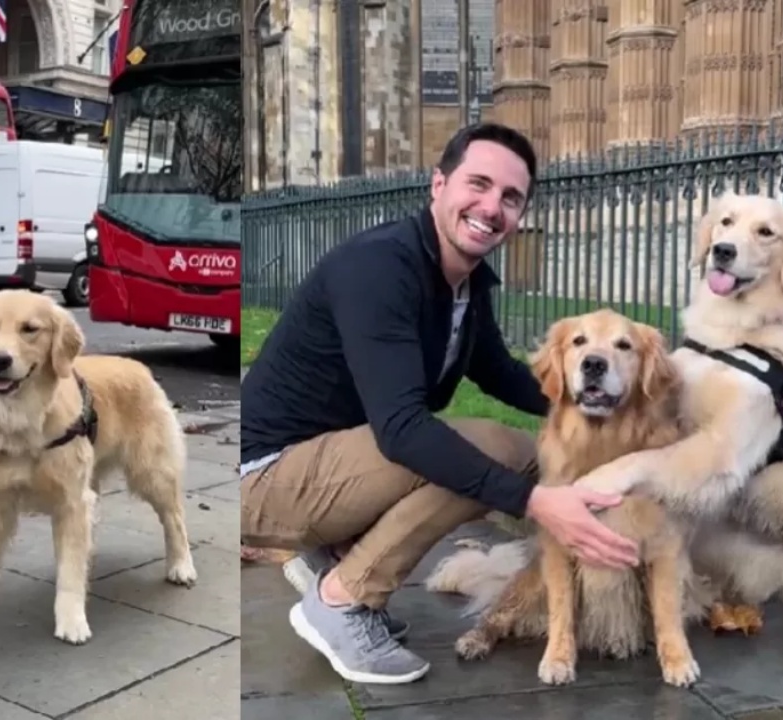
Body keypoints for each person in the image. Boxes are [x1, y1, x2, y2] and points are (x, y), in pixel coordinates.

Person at [239, 123, 641, 684]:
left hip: (325, 466)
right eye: (478, 184)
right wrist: (537, 501)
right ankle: (341, 597)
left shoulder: (466, 282)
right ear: (438, 185)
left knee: (523, 456)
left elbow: (499, 372)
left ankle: (330, 559)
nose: (491, 207)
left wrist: (604, 401)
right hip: (262, 479)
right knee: (491, 451)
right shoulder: (381, 268)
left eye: (510, 197)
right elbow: (402, 430)